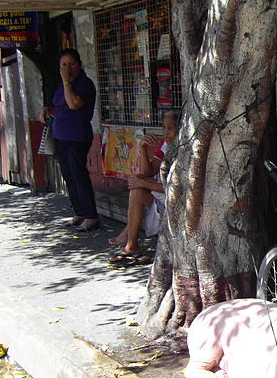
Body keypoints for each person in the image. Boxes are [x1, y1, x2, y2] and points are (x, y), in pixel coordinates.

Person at [108, 110, 179, 266]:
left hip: (175, 202)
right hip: (161, 197)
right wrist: (142, 148)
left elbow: (177, 188)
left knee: (139, 185)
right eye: (164, 127)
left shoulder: (184, 149)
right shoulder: (165, 145)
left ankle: (130, 240)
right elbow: (149, 171)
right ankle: (131, 244)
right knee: (138, 184)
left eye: (170, 128)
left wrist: (144, 183)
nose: (165, 132)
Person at [41, 48, 99, 232]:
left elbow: (74, 104)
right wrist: (49, 110)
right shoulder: (62, 85)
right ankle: (79, 212)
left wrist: (67, 81)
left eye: (71, 64)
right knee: (68, 174)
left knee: (78, 174)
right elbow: (62, 106)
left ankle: (91, 216)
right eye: (63, 65)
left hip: (77, 135)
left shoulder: (84, 84)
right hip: (60, 134)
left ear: (79, 65)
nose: (67, 68)